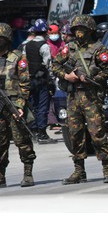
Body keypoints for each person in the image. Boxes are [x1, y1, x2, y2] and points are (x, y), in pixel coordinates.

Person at [52, 14, 108, 184]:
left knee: (97, 133)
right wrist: (67, 75)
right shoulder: (69, 48)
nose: (79, 32)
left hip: (91, 97)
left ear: (90, 30)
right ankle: (79, 170)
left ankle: (106, 168)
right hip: (73, 97)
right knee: (75, 134)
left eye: (82, 29)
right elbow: (55, 65)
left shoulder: (98, 48)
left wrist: (92, 78)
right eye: (77, 29)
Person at [0, 23, 36, 187]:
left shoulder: (17, 58)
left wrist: (21, 105)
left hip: (14, 104)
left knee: (22, 140)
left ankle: (28, 173)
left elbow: (25, 84)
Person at [22, 19, 56, 144]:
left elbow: (24, 64)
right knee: (42, 107)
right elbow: (49, 66)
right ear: (46, 31)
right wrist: (52, 81)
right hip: (42, 81)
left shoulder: (27, 45)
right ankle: (42, 133)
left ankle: (34, 132)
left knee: (33, 106)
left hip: (30, 81)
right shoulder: (44, 46)